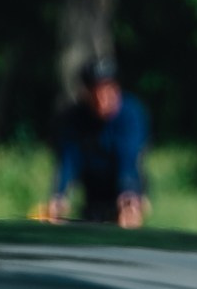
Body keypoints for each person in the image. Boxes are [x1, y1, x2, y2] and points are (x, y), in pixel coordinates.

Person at [45, 64, 150, 226]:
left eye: (108, 91)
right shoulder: (74, 118)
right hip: (92, 187)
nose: (103, 100)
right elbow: (68, 160)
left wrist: (128, 193)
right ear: (86, 93)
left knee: (128, 215)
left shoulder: (131, 113)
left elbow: (128, 158)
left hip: (125, 180)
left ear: (117, 90)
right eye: (96, 93)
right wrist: (59, 194)